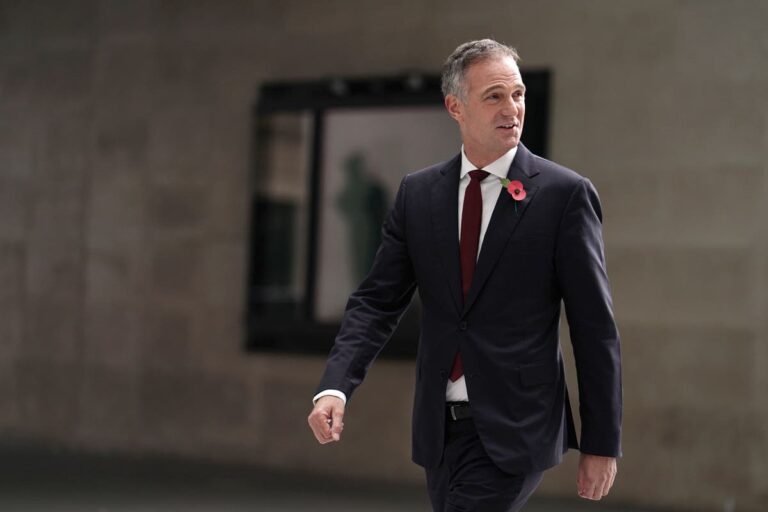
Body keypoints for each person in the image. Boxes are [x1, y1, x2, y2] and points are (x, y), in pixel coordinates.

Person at [307, 38, 622, 512]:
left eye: (517, 94)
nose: (511, 108)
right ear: (455, 106)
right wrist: (336, 386)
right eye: (494, 96)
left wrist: (601, 442)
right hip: (439, 431)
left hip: (517, 427)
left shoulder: (564, 195)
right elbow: (376, 301)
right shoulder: (418, 194)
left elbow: (594, 328)